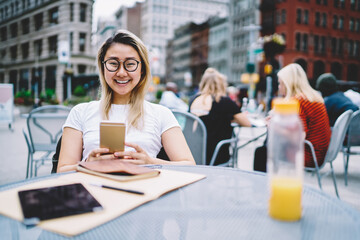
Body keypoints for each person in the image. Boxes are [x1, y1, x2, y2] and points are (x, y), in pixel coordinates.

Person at [57, 30, 195, 173]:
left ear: (142, 69)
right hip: (91, 191)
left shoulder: (161, 114)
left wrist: (150, 162)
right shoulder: (80, 112)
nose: (121, 72)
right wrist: (87, 163)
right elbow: (62, 170)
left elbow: (189, 165)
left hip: (145, 191)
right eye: (113, 63)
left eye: (130, 64)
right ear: (103, 67)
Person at [254, 63, 331, 171]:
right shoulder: (312, 97)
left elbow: (298, 136)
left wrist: (274, 126)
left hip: (307, 155)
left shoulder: (298, 101)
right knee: (265, 149)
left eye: (280, 83)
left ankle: (262, 186)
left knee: (261, 153)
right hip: (318, 153)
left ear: (288, 84)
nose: (279, 87)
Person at [189, 68, 251, 165]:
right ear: (221, 84)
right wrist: (231, 118)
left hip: (193, 154)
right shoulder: (224, 101)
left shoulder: (193, 100)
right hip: (216, 155)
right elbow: (247, 123)